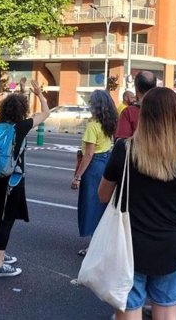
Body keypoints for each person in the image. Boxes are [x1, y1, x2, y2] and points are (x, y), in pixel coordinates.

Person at [99, 87, 176, 320]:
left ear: (144, 113)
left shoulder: (124, 149)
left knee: (128, 309)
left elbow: (102, 195)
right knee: (167, 310)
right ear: (175, 116)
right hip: (171, 247)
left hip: (129, 245)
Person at [0, 81, 49, 277]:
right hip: (13, 180)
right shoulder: (21, 127)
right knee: (7, 220)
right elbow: (46, 113)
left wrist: (21, 92)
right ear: (22, 110)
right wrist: (40, 95)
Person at [71, 89, 117, 255]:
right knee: (103, 206)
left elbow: (89, 153)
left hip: (94, 166)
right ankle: (102, 244)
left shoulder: (92, 126)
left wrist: (77, 176)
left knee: (91, 206)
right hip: (106, 164)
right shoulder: (109, 124)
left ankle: (93, 246)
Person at [115, 71, 156, 139]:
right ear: (155, 87)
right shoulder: (165, 110)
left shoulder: (128, 112)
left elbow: (121, 142)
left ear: (136, 88)